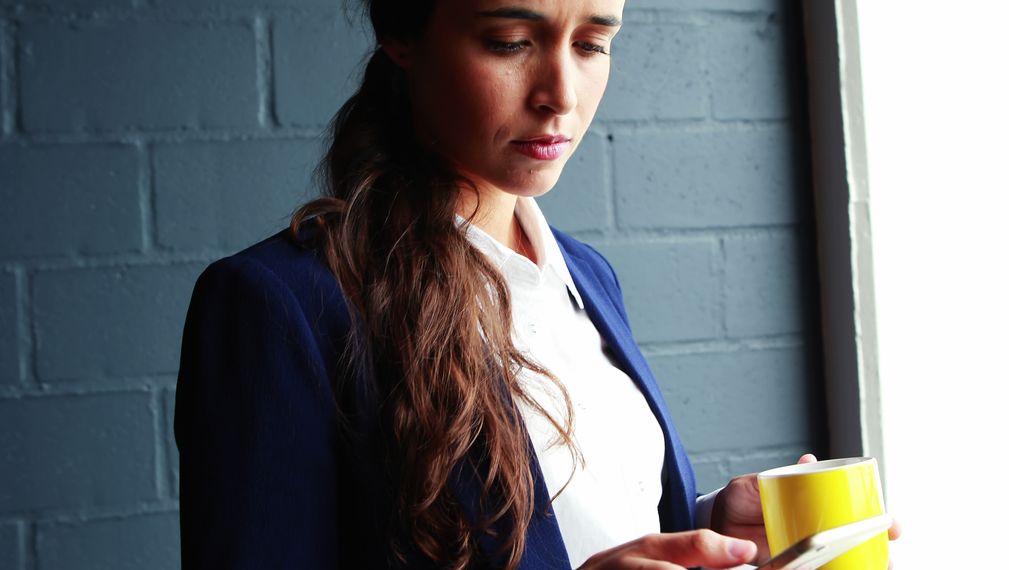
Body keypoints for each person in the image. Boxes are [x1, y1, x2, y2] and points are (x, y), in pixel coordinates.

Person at [173, 0, 900, 568]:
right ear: (404, 33)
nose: (561, 94)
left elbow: (566, 538)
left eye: (592, 44)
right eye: (511, 43)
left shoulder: (584, 276)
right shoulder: (280, 304)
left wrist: (707, 530)